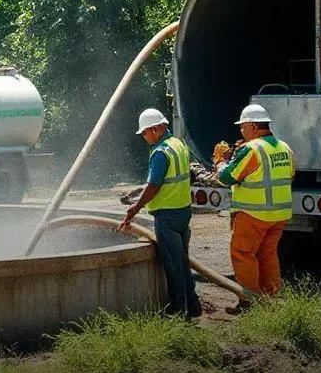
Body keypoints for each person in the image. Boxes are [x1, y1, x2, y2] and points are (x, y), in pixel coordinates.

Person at [119, 108, 202, 318]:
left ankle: (179, 311)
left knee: (173, 264)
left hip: (167, 216)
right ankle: (193, 305)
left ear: (155, 129)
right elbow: (172, 178)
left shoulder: (160, 152)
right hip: (183, 211)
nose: (144, 137)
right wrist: (138, 191)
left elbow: (155, 186)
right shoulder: (178, 145)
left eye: (145, 133)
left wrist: (134, 208)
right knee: (183, 260)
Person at [216, 104, 295, 312]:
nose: (241, 131)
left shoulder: (252, 149)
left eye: (242, 127)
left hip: (254, 213)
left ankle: (248, 302)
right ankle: (271, 300)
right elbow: (291, 175)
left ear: (252, 126)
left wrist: (220, 162)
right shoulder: (284, 147)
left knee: (243, 253)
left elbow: (227, 177)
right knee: (267, 255)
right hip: (279, 214)